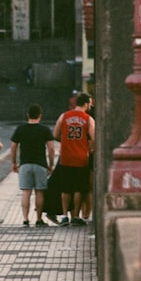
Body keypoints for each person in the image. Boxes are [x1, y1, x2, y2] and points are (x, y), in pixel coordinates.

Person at [53, 92, 95, 226]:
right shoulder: (88, 119)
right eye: (90, 103)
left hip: (66, 156)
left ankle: (65, 215)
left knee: (66, 189)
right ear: (86, 104)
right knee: (79, 188)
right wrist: (89, 148)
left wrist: (65, 142)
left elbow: (55, 134)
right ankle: (76, 216)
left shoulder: (63, 116)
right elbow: (94, 138)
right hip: (81, 158)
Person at [10, 103, 55, 227]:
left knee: (26, 192)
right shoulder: (45, 129)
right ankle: (39, 219)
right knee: (39, 192)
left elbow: (13, 146)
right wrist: (51, 164)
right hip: (40, 164)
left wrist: (13, 162)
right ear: (40, 116)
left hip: (24, 164)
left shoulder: (20, 129)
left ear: (27, 115)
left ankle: (25, 219)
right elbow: (51, 148)